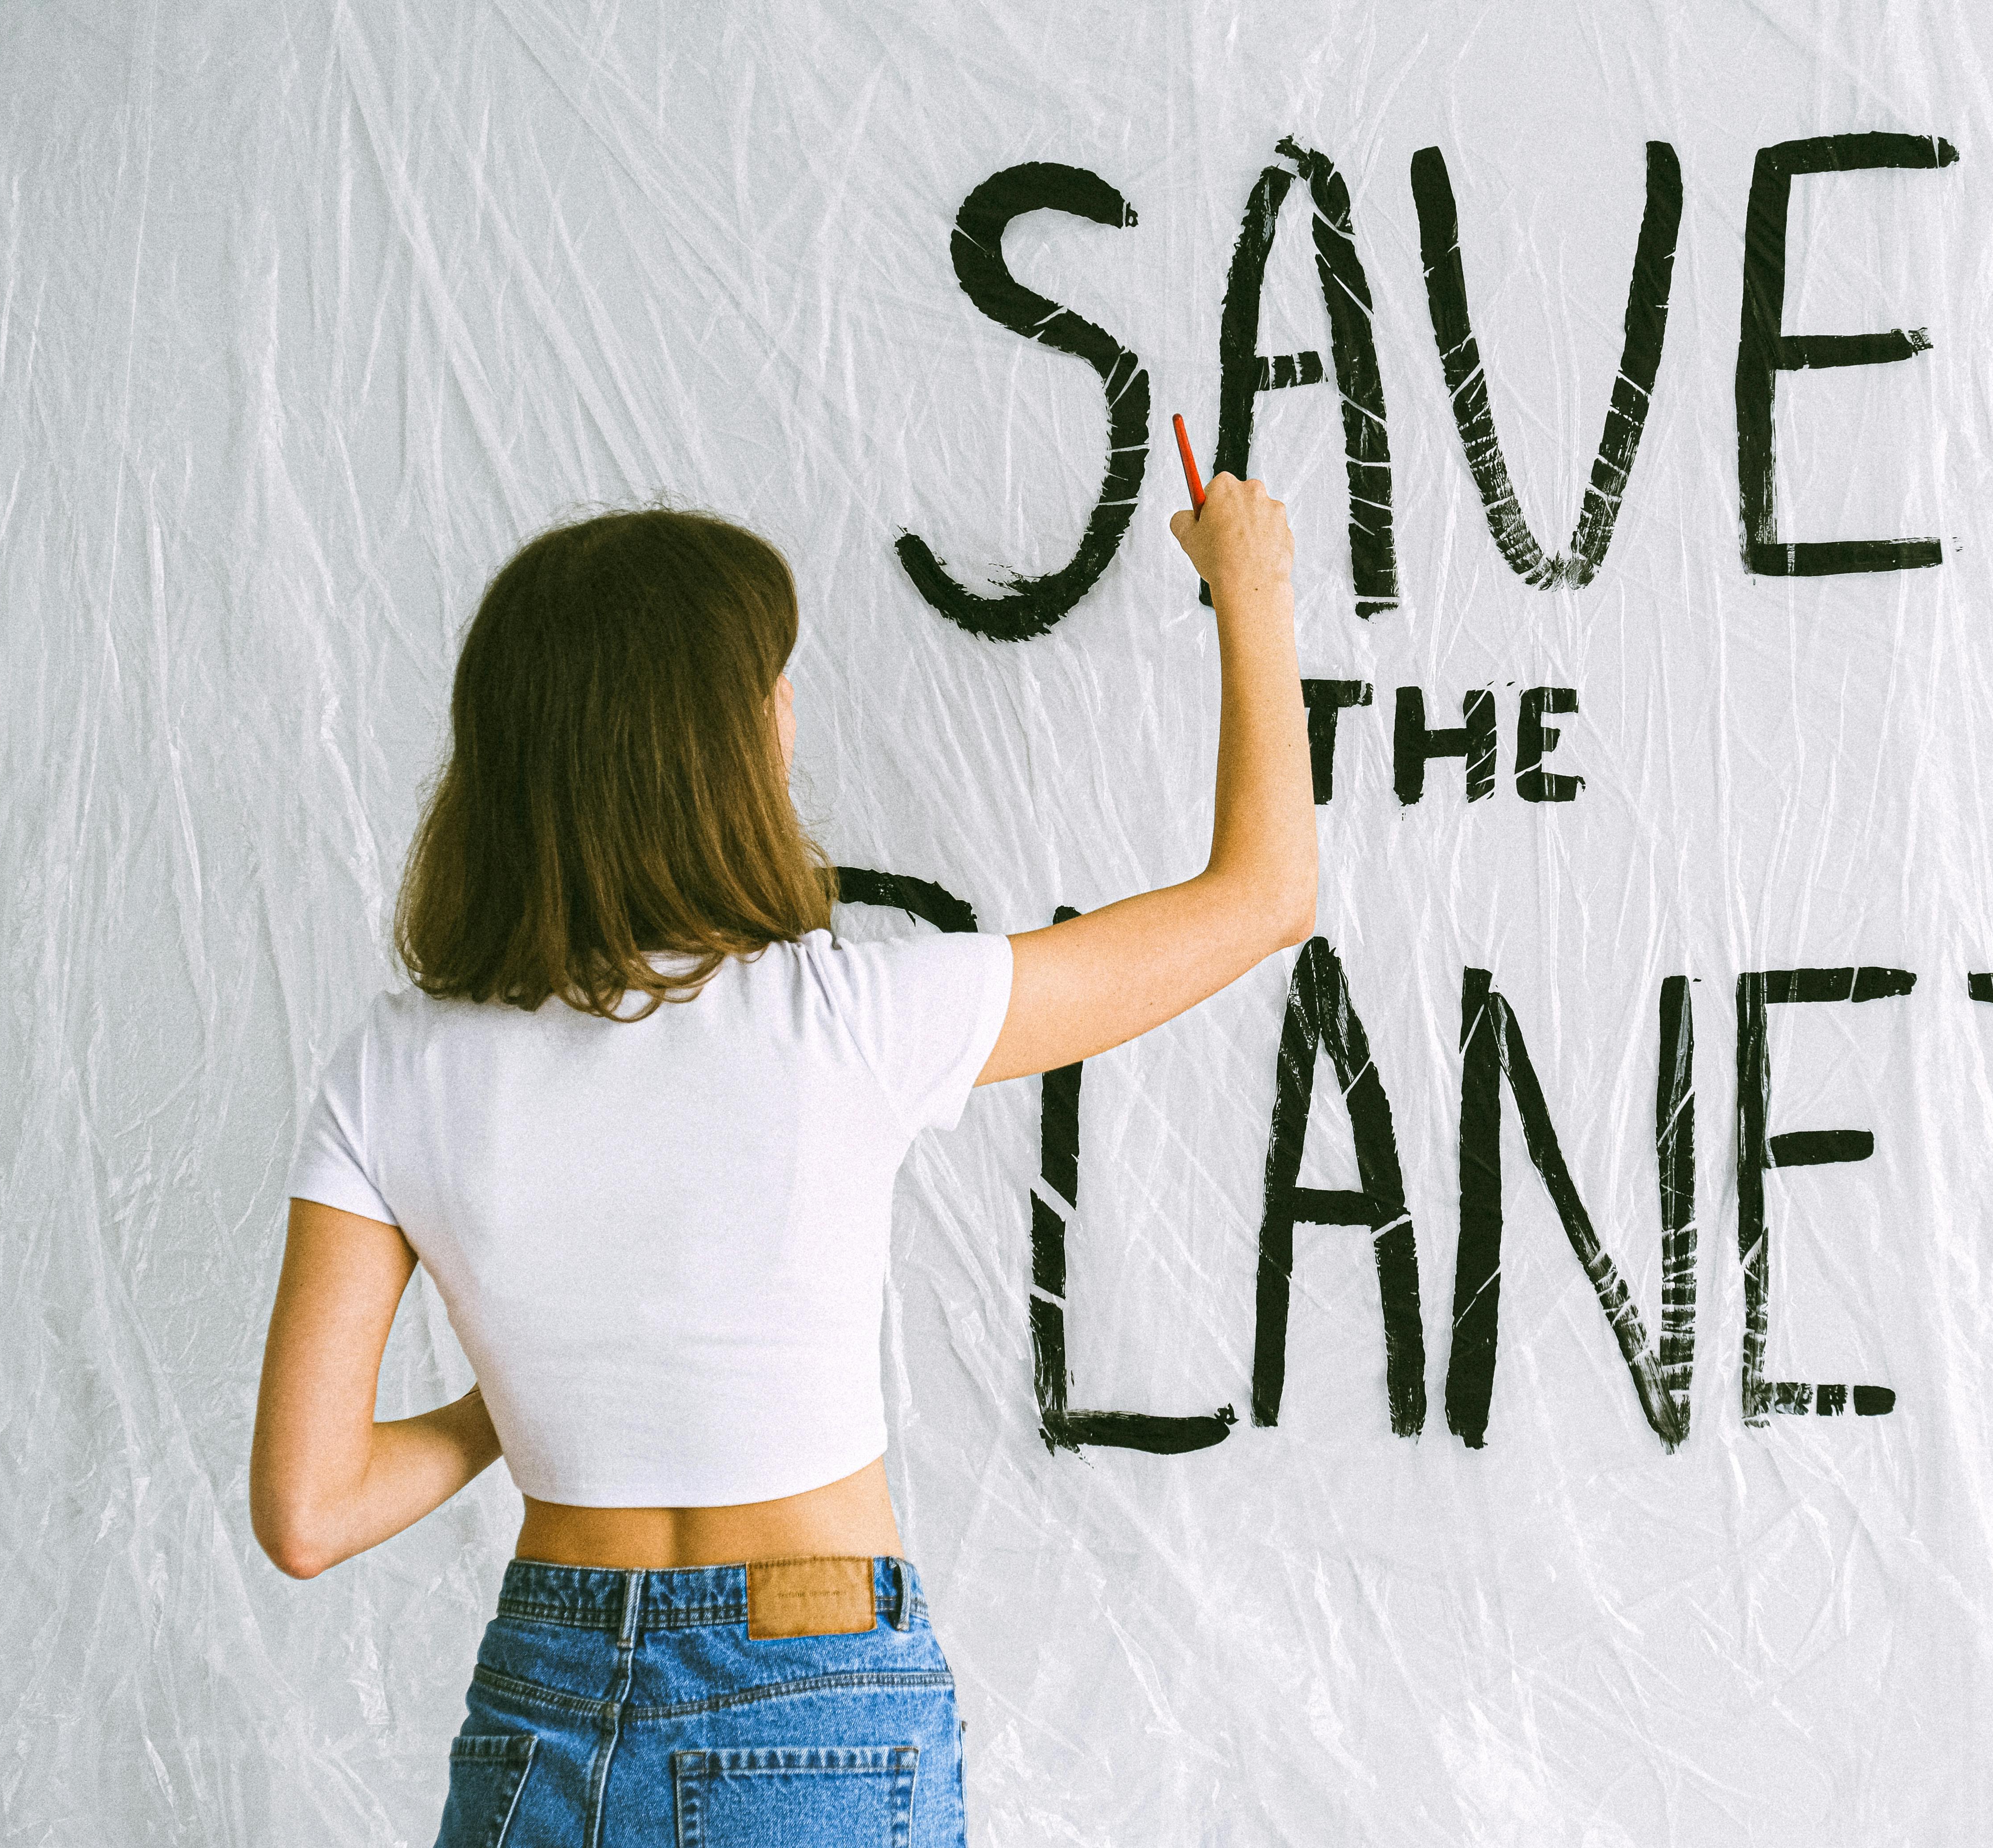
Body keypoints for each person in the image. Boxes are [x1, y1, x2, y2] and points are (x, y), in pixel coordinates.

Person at [247, 474, 1310, 1848]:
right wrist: (1256, 588)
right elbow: (1266, 894)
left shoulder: (395, 1066)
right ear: (718, 749)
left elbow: (308, 1511)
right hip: (808, 1703)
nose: (790, 713)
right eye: (774, 688)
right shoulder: (846, 1018)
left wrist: (506, 1406)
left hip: (543, 1705)